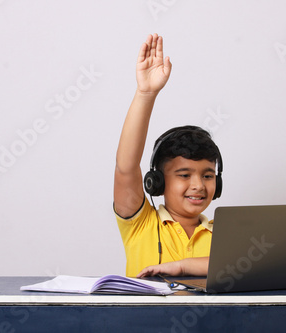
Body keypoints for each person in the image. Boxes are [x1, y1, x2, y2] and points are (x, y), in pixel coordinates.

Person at [113, 33, 223, 278]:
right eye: (184, 175)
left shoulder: (225, 238)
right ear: (157, 181)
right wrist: (146, 94)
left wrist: (182, 267)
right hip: (145, 318)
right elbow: (126, 167)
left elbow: (247, 266)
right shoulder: (140, 224)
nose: (198, 185)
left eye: (208, 175)